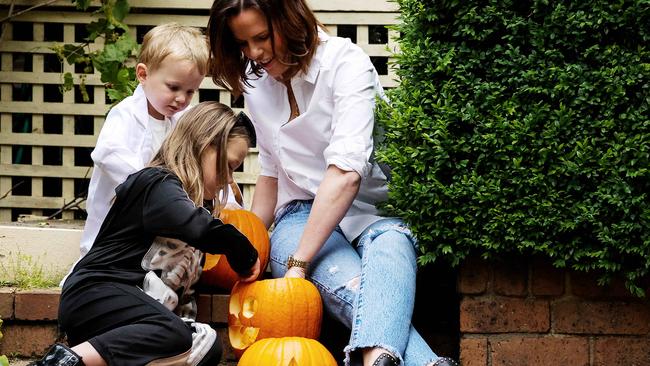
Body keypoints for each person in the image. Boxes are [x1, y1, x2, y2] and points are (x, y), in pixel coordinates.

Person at [206, 1, 458, 366]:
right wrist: (251, 244)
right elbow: (272, 173)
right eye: (243, 44)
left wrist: (298, 263)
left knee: (393, 244)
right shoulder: (257, 84)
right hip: (298, 218)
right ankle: (409, 361)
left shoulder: (346, 64)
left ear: (290, 21)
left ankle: (377, 360)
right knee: (353, 284)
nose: (254, 53)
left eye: (261, 37)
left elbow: (346, 172)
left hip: (372, 209)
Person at [30, 101, 262, 366]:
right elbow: (194, 225)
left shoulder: (198, 207)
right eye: (228, 166)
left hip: (136, 320)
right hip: (98, 295)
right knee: (175, 334)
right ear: (203, 145)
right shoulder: (157, 184)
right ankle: (56, 364)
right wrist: (240, 248)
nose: (229, 179)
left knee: (205, 346)